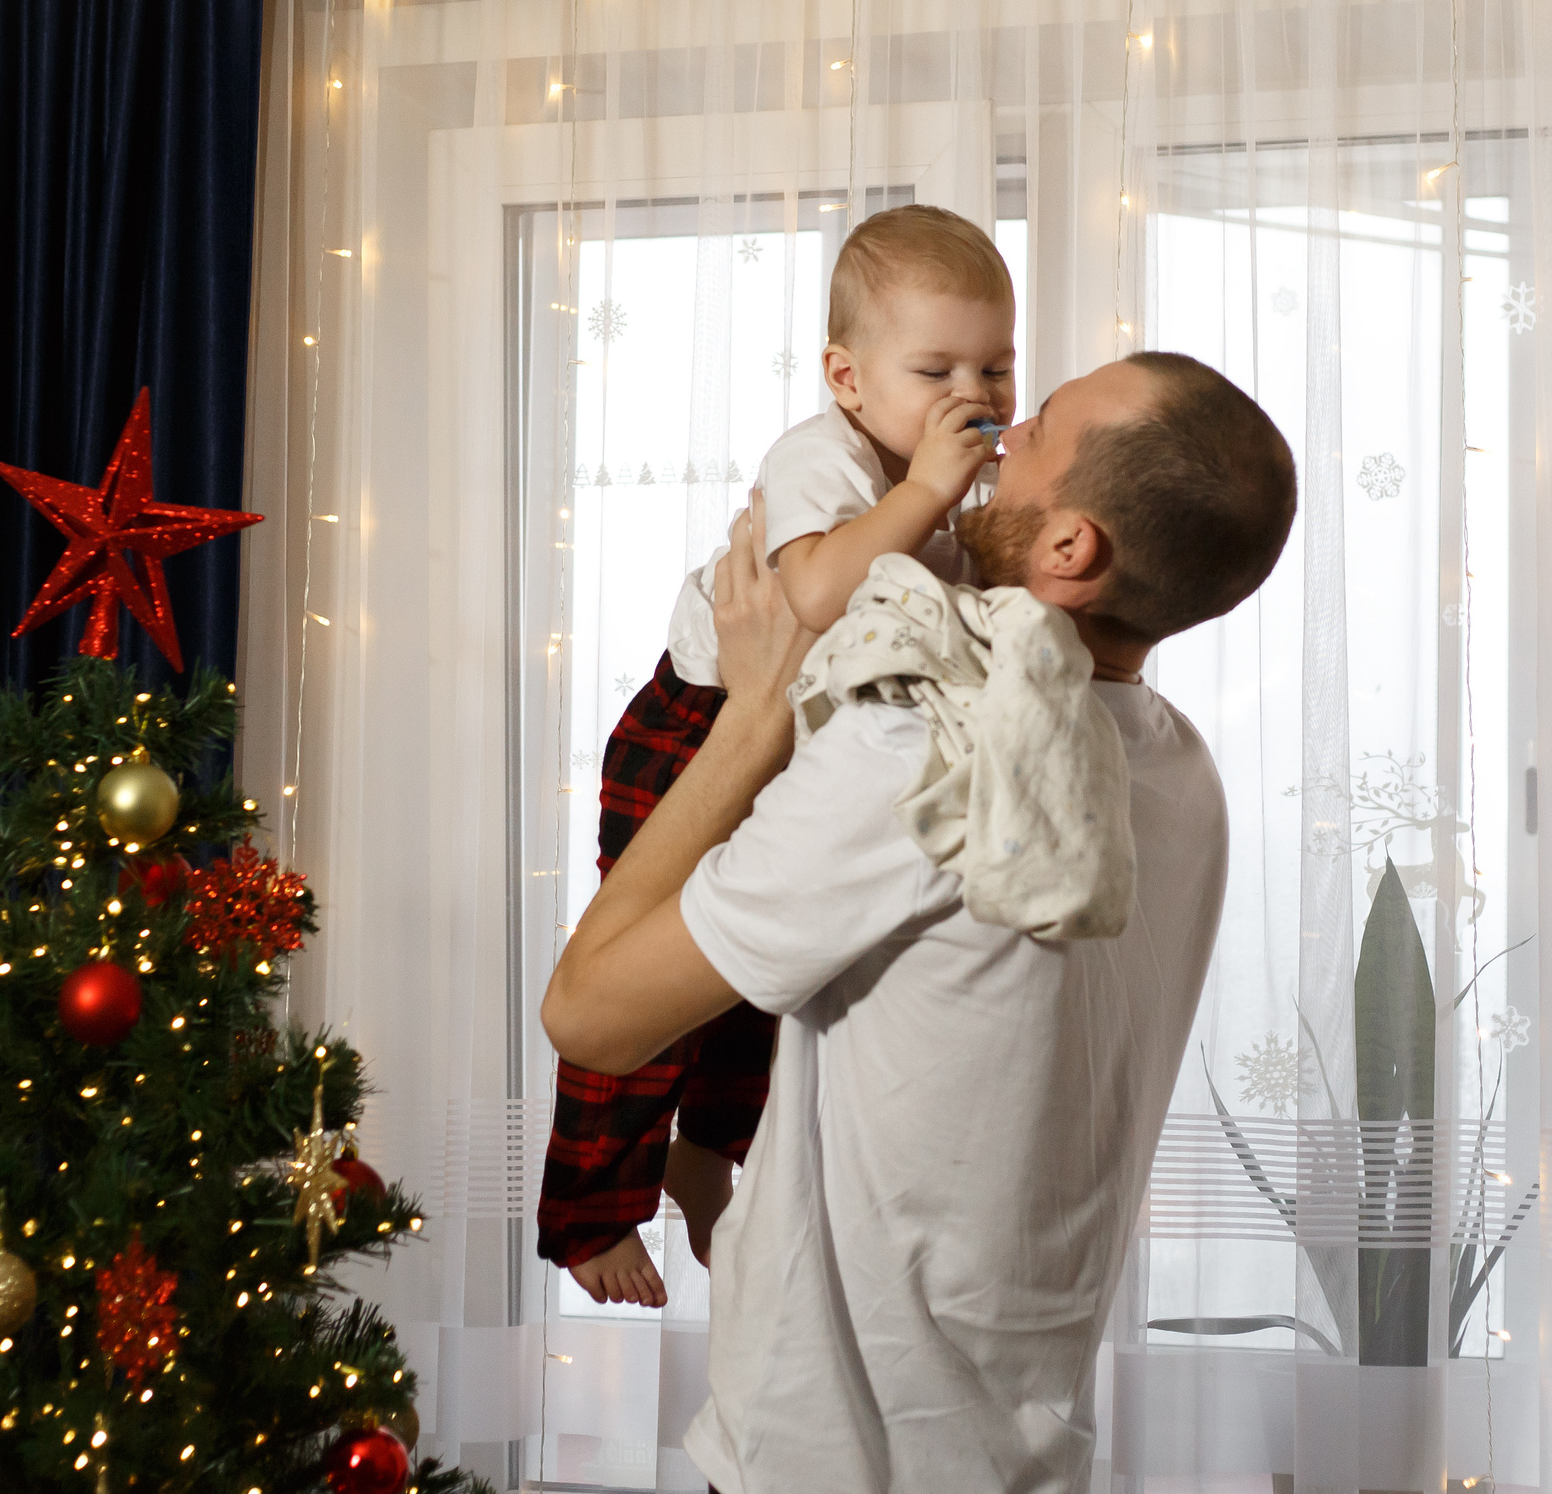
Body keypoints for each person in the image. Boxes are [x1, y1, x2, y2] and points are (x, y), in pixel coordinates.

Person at [541, 351, 1298, 1493]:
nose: (1000, 433)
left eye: (1039, 429)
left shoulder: (925, 754)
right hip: (1018, 1451)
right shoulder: (1180, 769)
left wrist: (754, 713)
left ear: (1069, 548)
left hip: (835, 1457)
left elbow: (588, 1015)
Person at [536, 204, 1020, 1308]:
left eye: (995, 366)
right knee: (648, 974)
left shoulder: (942, 473)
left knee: (761, 973)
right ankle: (590, 1211)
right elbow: (814, 594)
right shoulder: (823, 457)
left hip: (801, 731)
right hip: (699, 724)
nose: (974, 395)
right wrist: (928, 495)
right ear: (847, 377)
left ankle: (706, 1155)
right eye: (935, 369)